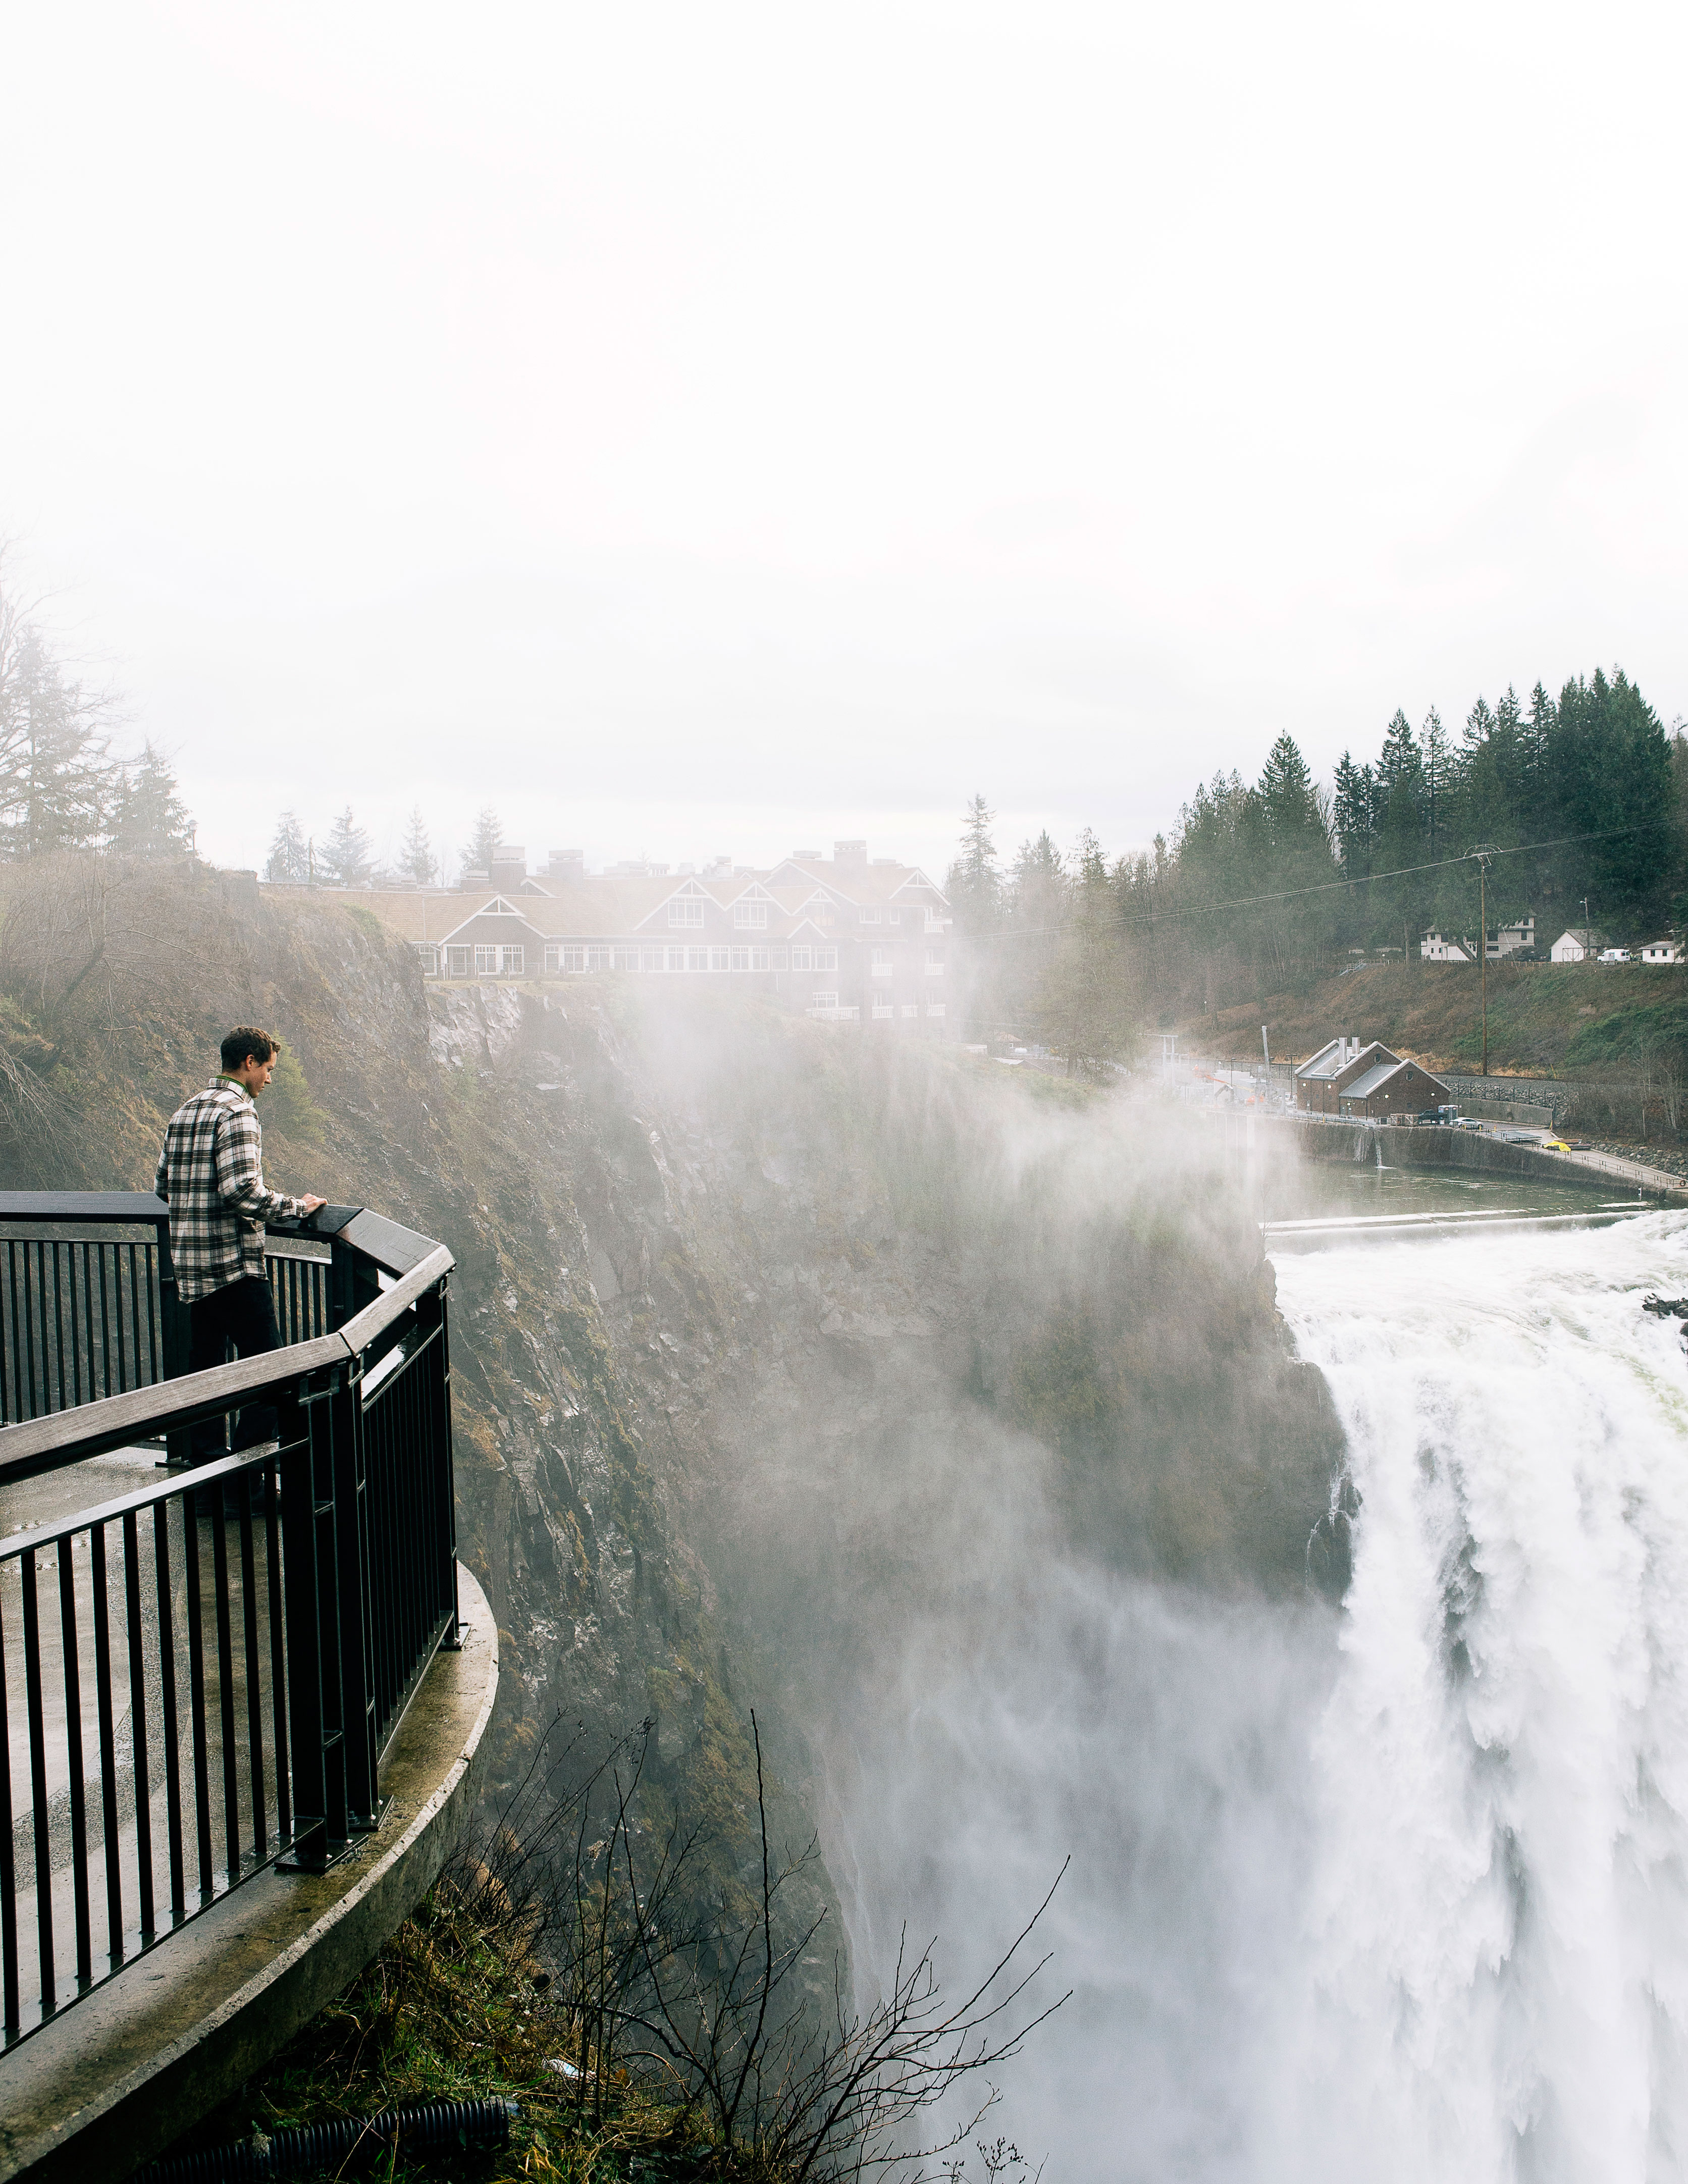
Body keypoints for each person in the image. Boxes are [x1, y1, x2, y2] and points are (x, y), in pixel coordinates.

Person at [154, 1026, 326, 1461]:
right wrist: (297, 1207)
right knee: (273, 1374)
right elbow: (241, 1190)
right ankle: (245, 1479)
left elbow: (162, 1186)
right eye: (268, 1068)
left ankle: (209, 1471)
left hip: (191, 1268)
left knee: (205, 1374)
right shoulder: (238, 1113)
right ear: (249, 1061)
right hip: (233, 1265)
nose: (270, 1079)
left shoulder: (185, 1111)